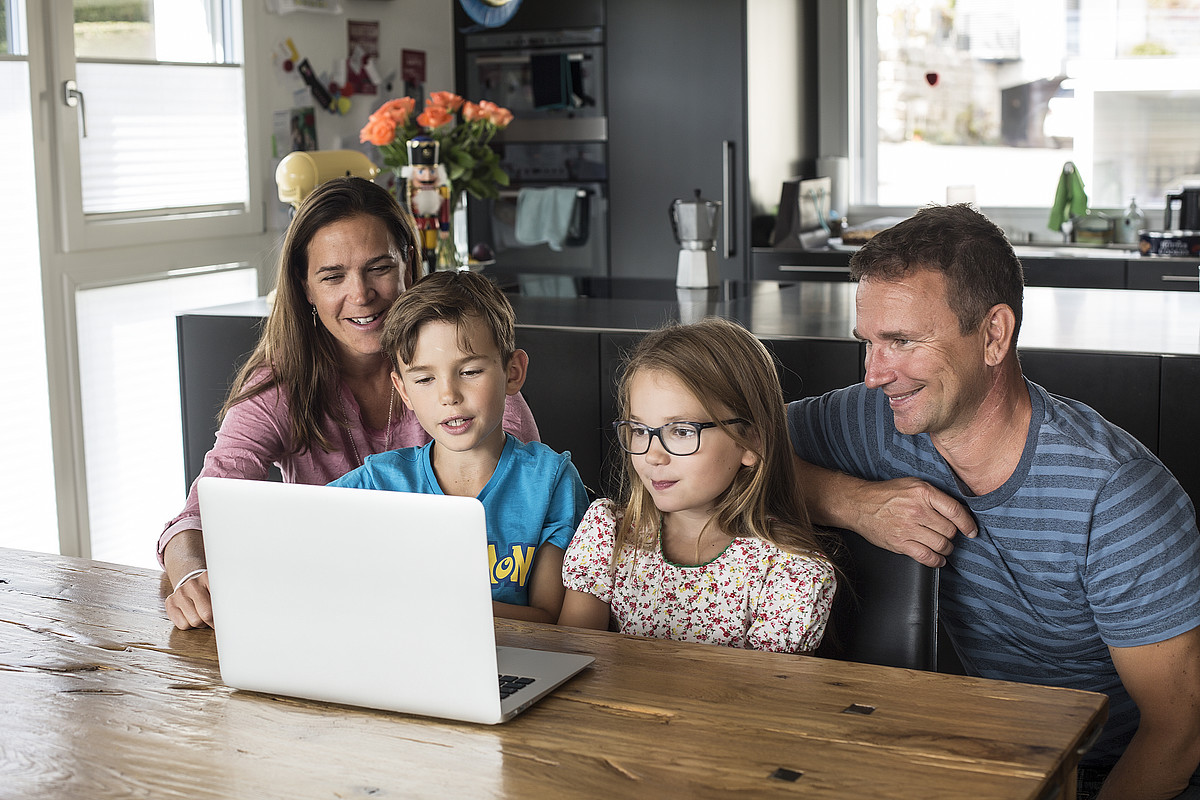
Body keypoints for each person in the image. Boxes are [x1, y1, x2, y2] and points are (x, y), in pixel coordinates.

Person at [787, 203, 1200, 800]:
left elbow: (1178, 738)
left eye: (901, 341)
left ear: (994, 334)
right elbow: (731, 449)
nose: (876, 373)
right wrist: (850, 502)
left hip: (1112, 778)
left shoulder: (1116, 497)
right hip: (993, 759)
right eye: (869, 342)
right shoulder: (877, 419)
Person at [159, 178, 540, 631]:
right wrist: (192, 575)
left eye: (378, 268)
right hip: (334, 624)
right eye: (333, 276)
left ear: (408, 267)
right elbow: (201, 512)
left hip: (462, 627)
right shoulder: (278, 387)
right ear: (305, 289)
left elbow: (522, 516)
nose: (360, 295)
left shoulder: (473, 382)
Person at [557, 318, 836, 654]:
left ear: (752, 441)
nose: (653, 455)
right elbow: (572, 660)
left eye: (682, 431)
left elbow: (763, 699)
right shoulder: (608, 533)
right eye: (640, 430)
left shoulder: (790, 573)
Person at [330, 269, 588, 624]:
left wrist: (437, 610)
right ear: (403, 390)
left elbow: (548, 618)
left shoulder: (551, 480)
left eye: (469, 371)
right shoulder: (378, 481)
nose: (448, 395)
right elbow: (291, 534)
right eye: (424, 379)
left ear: (513, 372)